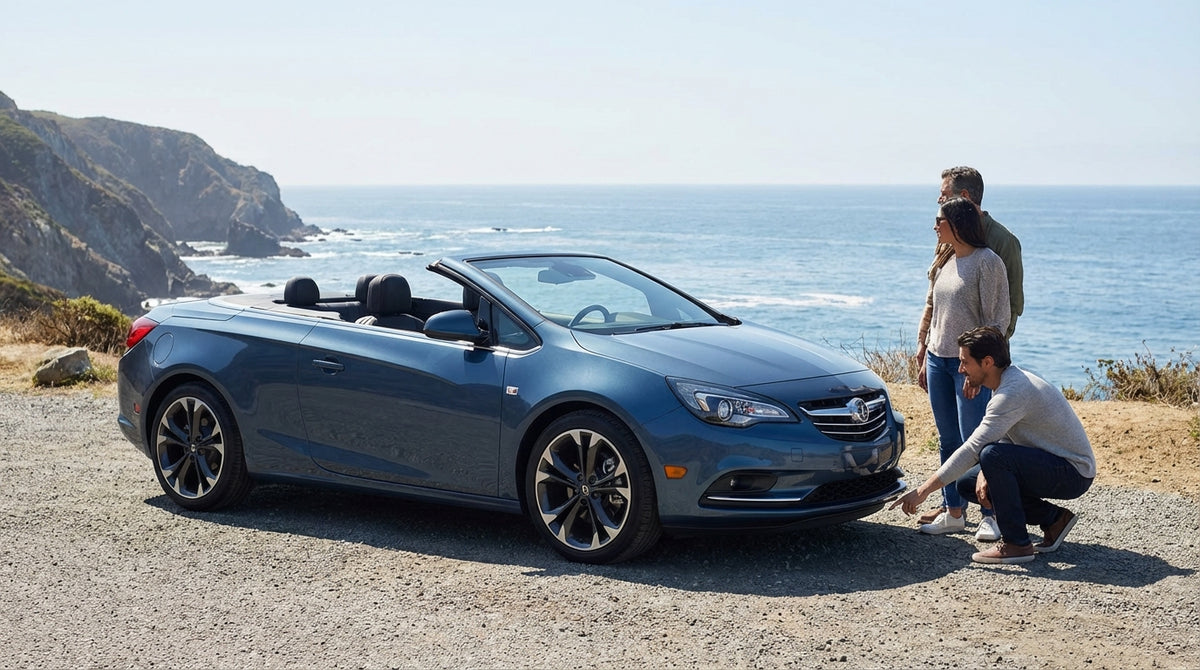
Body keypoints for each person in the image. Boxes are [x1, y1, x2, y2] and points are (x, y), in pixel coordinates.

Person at [892, 326, 1096, 564]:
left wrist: (923, 491)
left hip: (1073, 472)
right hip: (1048, 463)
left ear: (987, 362)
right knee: (968, 483)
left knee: (992, 455)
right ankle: (1054, 519)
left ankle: (1017, 544)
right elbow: (1006, 435)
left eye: (965, 362)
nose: (960, 369)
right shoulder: (1005, 382)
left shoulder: (1011, 392)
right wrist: (985, 474)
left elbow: (974, 448)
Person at [915, 166, 1024, 536]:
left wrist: (980, 369)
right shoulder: (945, 257)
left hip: (968, 367)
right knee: (948, 439)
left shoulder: (990, 260)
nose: (934, 223)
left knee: (978, 439)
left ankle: (990, 516)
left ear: (958, 216)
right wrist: (923, 347)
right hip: (937, 359)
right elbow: (934, 304)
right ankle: (954, 512)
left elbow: (998, 318)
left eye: (939, 216)